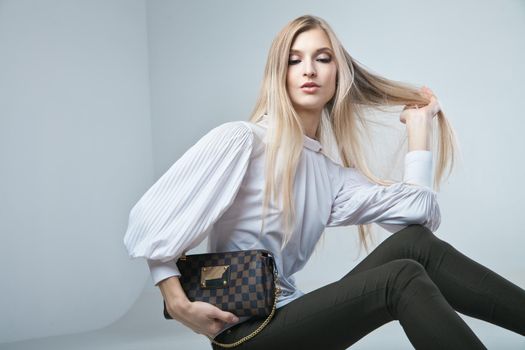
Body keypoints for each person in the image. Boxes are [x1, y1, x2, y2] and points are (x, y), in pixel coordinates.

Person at [123, 14, 525, 350]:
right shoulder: (244, 141)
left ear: (339, 73)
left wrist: (419, 128)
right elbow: (150, 220)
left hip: (293, 317)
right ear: (279, 74)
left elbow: (419, 217)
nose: (309, 70)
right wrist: (176, 302)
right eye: (294, 60)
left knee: (412, 247)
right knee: (399, 278)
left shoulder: (328, 173)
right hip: (247, 334)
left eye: (322, 58)